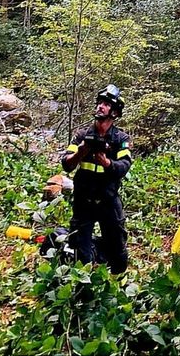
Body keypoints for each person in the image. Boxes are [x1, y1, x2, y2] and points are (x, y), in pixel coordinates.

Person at [61, 84, 132, 274]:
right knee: (79, 248)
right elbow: (66, 164)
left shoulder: (120, 138)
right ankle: (82, 286)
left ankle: (116, 282)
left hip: (108, 200)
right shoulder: (82, 135)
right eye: (100, 102)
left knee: (117, 249)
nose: (100, 106)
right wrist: (82, 151)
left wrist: (106, 162)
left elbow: (124, 166)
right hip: (84, 201)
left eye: (106, 104)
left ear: (115, 112)